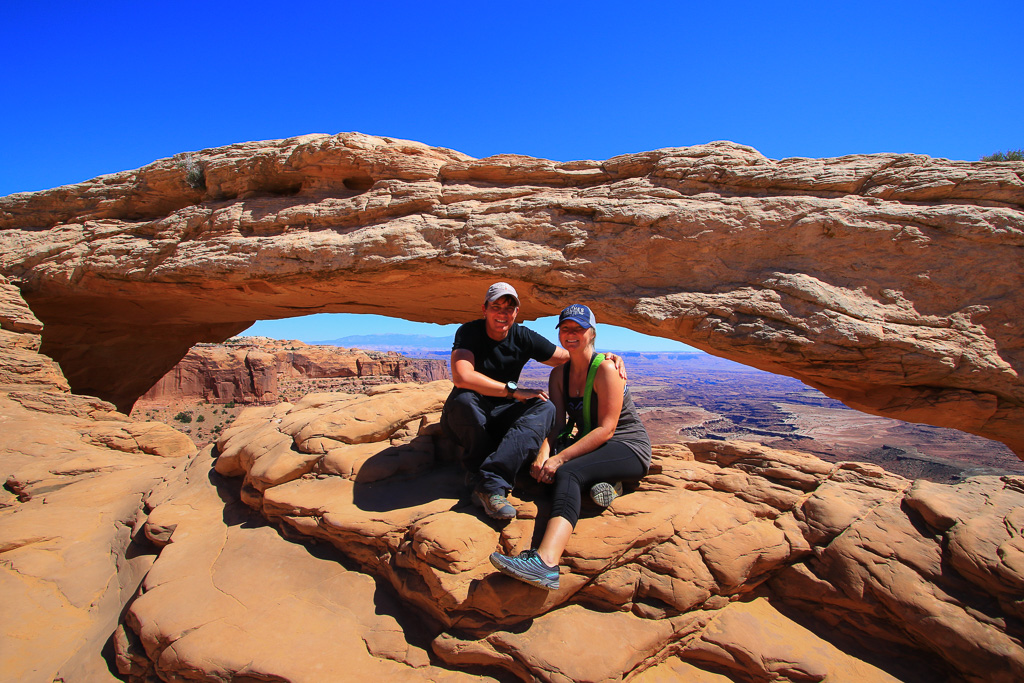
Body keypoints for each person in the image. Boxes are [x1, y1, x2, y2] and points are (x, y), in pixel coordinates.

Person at [488, 303, 651, 590]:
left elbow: (607, 429)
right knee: (540, 472)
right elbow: (558, 424)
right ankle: (610, 484)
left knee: (568, 473)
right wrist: (544, 453)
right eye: (566, 329)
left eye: (579, 329)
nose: (571, 334)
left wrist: (560, 459)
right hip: (595, 447)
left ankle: (546, 563)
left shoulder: (606, 370)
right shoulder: (558, 375)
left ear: (592, 334)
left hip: (626, 445)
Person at [441, 283, 624, 521]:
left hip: (501, 415)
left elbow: (570, 355)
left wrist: (604, 358)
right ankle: (487, 481)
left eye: (509, 309)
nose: (502, 314)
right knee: (465, 401)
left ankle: (489, 481)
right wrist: (513, 391)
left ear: (516, 313)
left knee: (544, 406)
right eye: (496, 307)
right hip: (467, 416)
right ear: (484, 309)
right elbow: (462, 376)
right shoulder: (469, 332)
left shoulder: (522, 335)